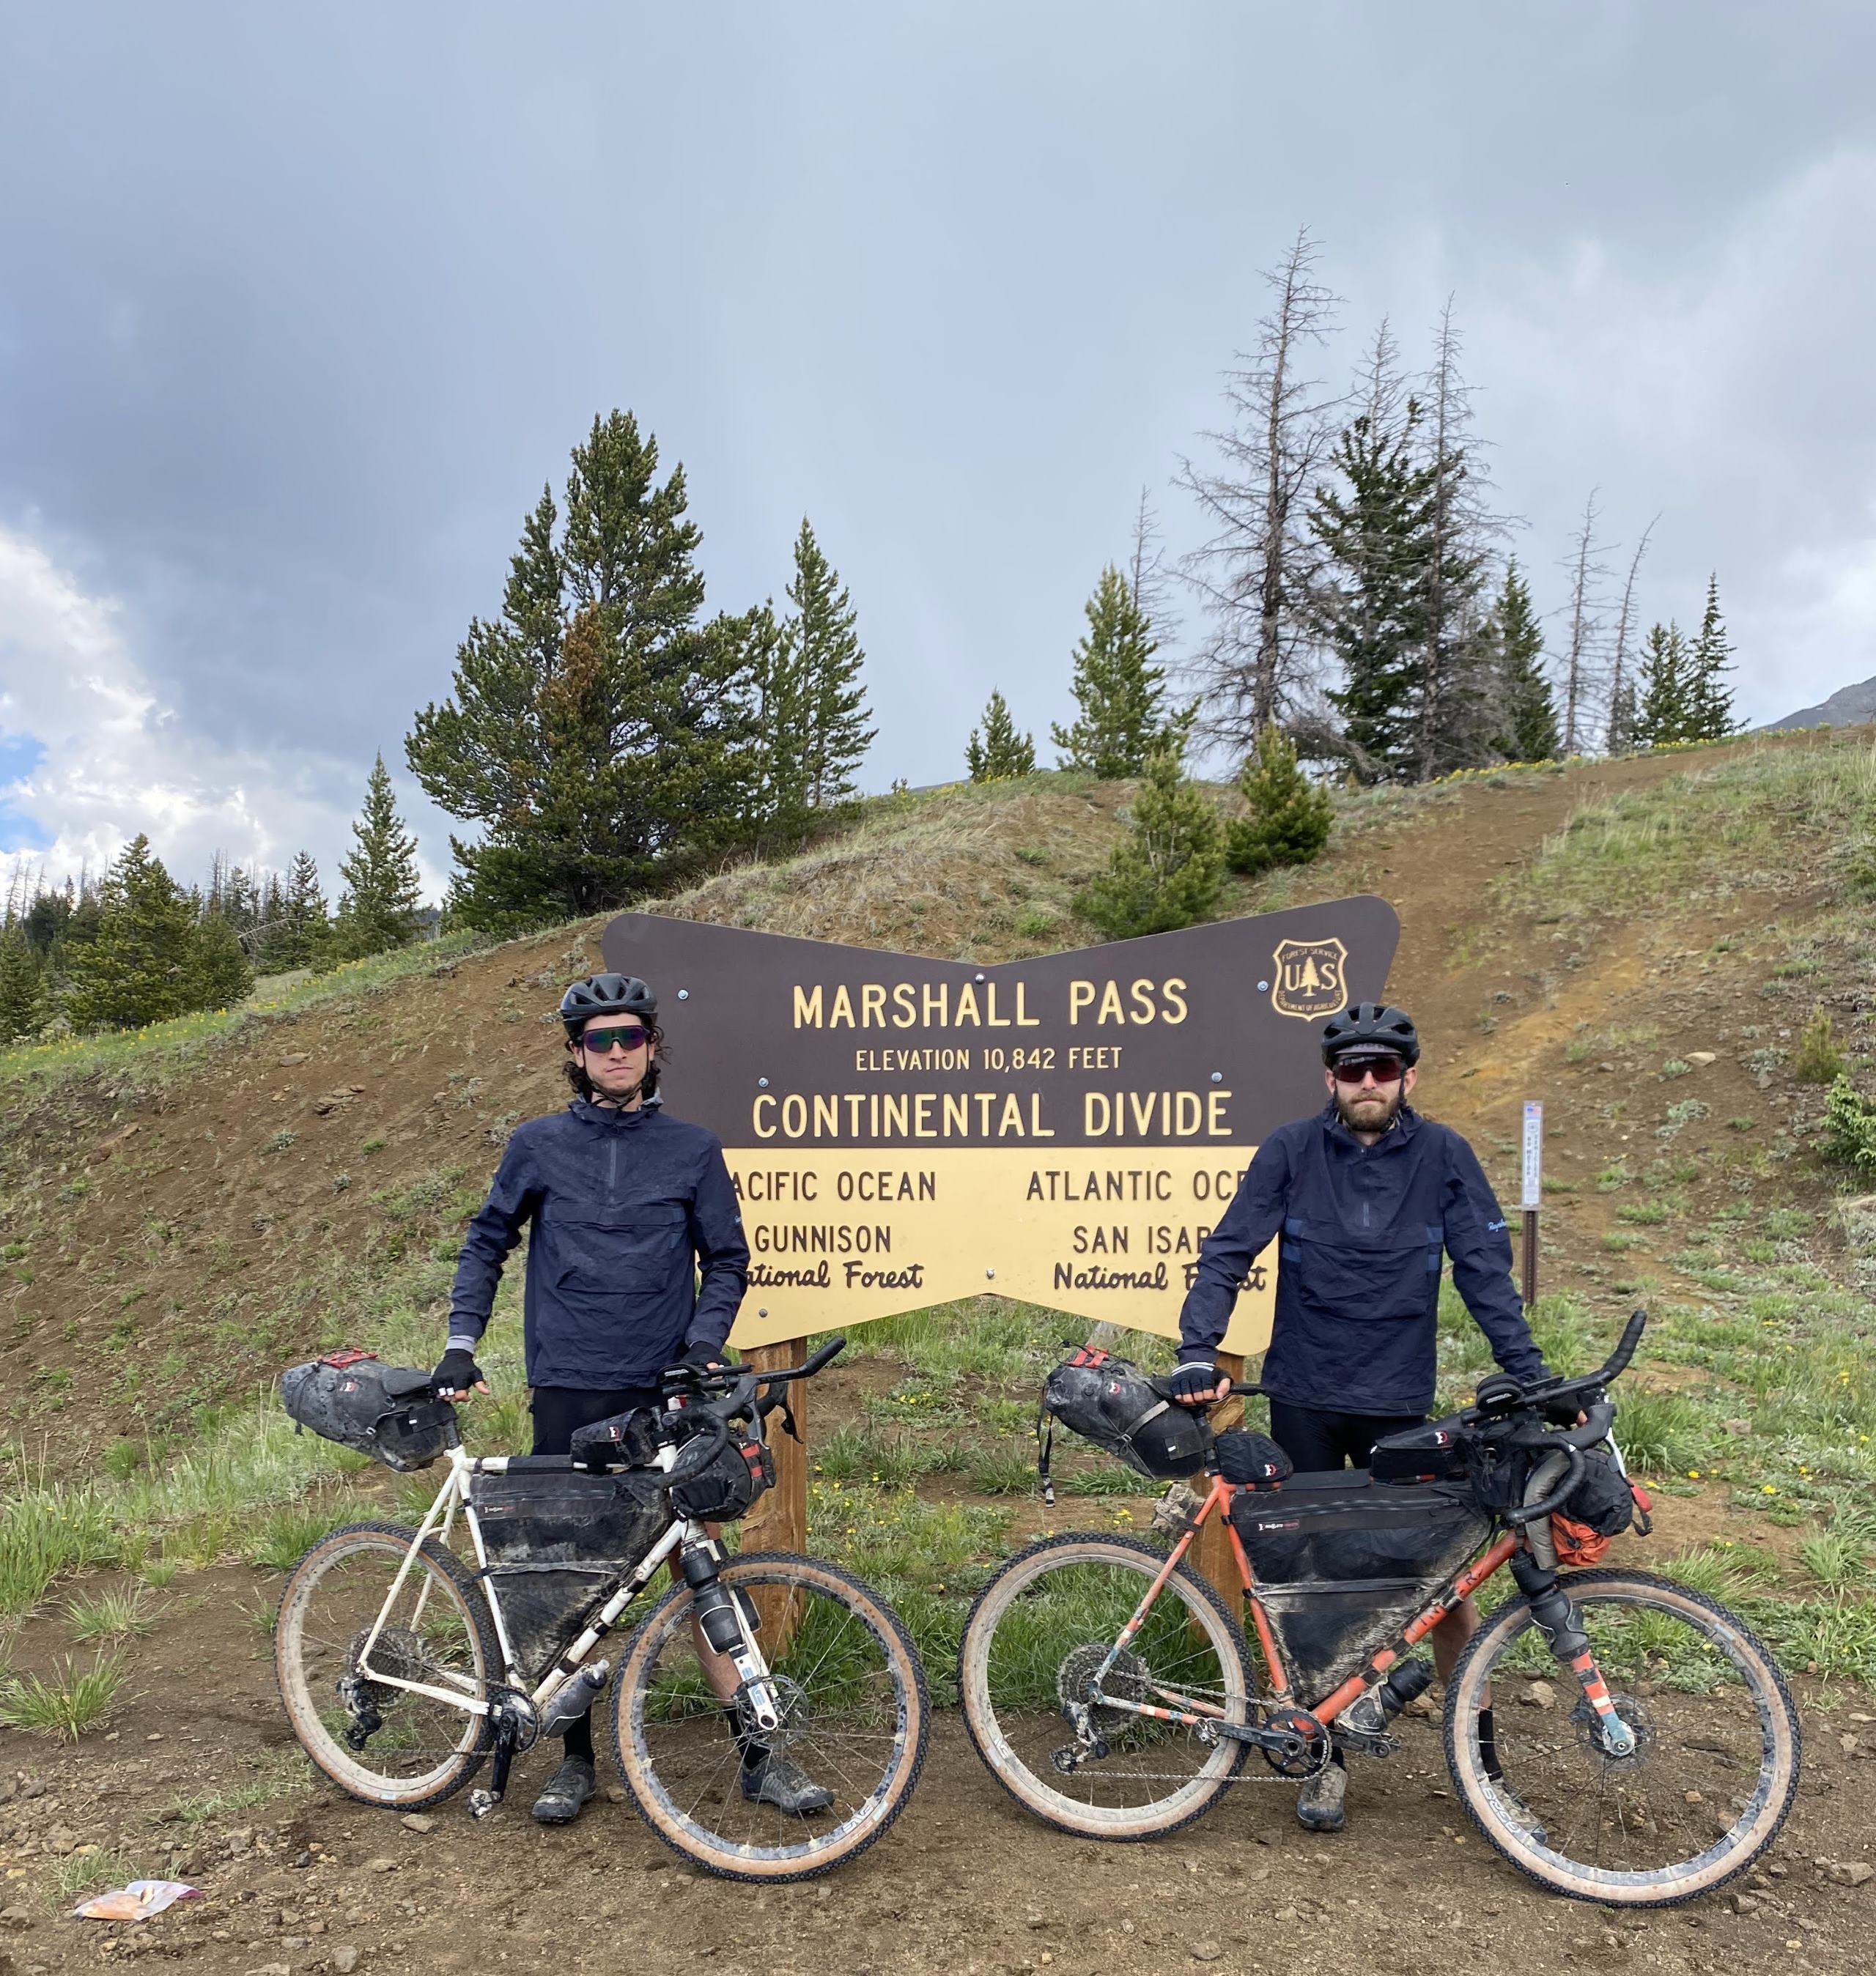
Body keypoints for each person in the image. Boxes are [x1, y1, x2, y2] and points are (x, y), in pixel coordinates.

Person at [433, 971, 832, 1825]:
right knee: (573, 1578)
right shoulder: (537, 1144)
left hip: (668, 1385)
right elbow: (487, 1243)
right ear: (576, 1055)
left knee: (702, 1565)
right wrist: (462, 1340)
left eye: (630, 1038)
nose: (616, 1052)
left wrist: (701, 1345)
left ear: (653, 1048)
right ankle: (574, 1762)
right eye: (598, 1040)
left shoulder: (691, 1149)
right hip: (569, 1379)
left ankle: (759, 1755)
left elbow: (727, 1259)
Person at [1171, 1000, 1547, 1836]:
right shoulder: (1290, 1151)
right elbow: (1229, 1249)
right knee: (1307, 1587)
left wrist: (1530, 1374)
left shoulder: (1445, 1155)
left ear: (1408, 1076)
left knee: (1444, 1593)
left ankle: (1480, 1763)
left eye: (1383, 1069)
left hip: (1399, 1409)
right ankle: (1324, 1754)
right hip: (1304, 1393)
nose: (1368, 1082)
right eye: (1352, 1069)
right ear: (1329, 1078)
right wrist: (1199, 1346)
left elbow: (1484, 1270)